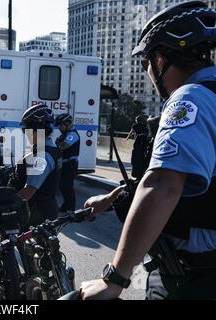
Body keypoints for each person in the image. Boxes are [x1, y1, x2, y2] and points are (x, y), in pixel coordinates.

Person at [79, 1, 216, 300]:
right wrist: (114, 196)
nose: (147, 72)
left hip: (194, 278)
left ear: (161, 58)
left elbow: (163, 186)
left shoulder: (190, 99)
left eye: (146, 63)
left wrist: (114, 278)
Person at [8, 104, 62, 226]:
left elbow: (29, 191)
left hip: (37, 214)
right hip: (44, 210)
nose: (25, 134)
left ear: (37, 129)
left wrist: (7, 204)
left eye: (26, 130)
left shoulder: (41, 156)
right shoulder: (51, 148)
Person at [55, 114, 80, 213]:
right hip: (64, 164)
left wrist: (55, 147)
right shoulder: (64, 135)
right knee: (62, 186)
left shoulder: (72, 134)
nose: (59, 128)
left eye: (60, 126)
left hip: (70, 164)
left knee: (68, 187)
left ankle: (71, 208)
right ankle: (66, 205)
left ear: (68, 123)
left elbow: (64, 145)